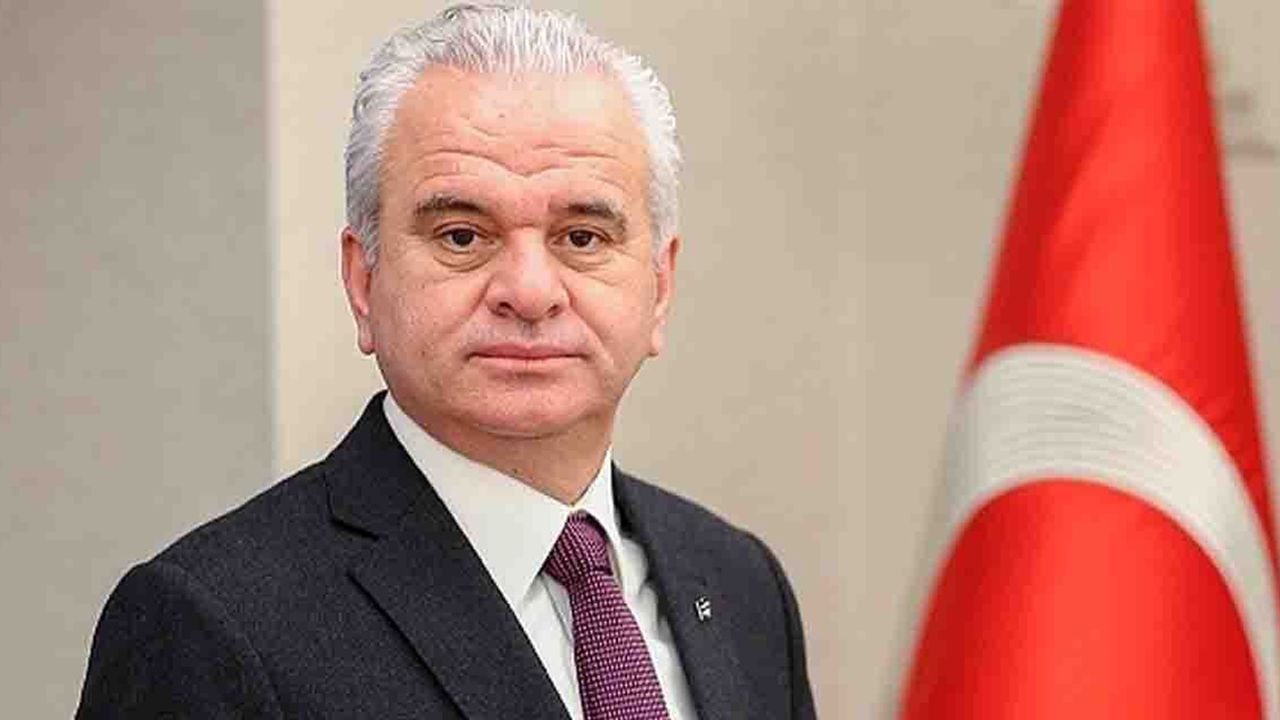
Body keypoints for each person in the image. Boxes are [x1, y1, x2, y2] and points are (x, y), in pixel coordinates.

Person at [77, 5, 816, 718]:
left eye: (583, 238)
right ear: (363, 281)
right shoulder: (210, 625)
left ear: (660, 286)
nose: (529, 292)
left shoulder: (742, 587)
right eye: (462, 236)